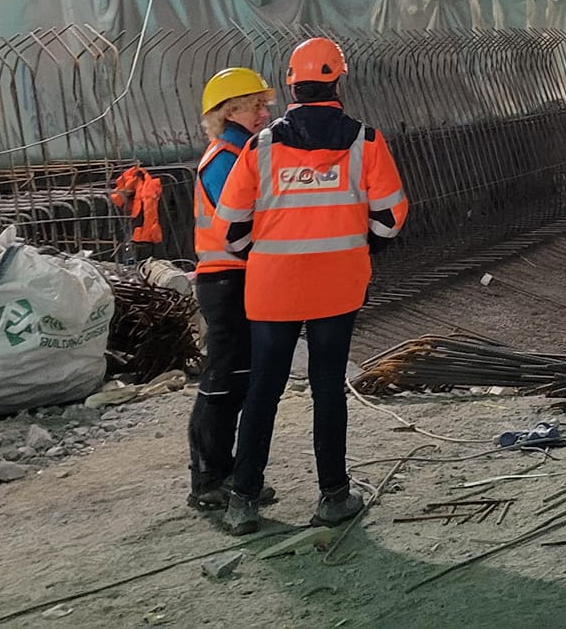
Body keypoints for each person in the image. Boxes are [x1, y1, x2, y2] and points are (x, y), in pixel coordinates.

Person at [213, 36, 408, 534]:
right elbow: (390, 219)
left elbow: (231, 228)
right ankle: (334, 496)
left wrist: (263, 255)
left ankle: (243, 501)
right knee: (328, 389)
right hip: (337, 286)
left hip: (272, 288)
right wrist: (358, 249)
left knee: (263, 389)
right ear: (337, 80)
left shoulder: (260, 145)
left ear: (292, 84)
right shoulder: (366, 141)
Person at [187, 66, 275, 512]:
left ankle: (232, 474)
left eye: (263, 105)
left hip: (238, 277)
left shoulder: (244, 153)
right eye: (256, 105)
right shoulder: (226, 158)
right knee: (223, 381)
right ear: (230, 111)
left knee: (239, 379)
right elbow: (240, 219)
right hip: (225, 280)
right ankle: (207, 480)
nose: (264, 112)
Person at [110, 163, 166, 262]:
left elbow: (118, 197)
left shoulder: (147, 186)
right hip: (141, 225)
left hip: (142, 226)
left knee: (137, 250)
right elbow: (118, 198)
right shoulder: (144, 184)